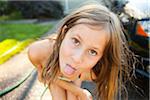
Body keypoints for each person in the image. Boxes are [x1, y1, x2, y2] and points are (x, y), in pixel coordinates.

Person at [28, 3, 137, 100]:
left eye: (93, 52)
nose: (77, 58)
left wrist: (77, 91)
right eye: (76, 41)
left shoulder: (93, 73)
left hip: (76, 72)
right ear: (64, 33)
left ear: (102, 57)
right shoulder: (37, 52)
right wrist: (80, 92)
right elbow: (43, 77)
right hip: (51, 61)